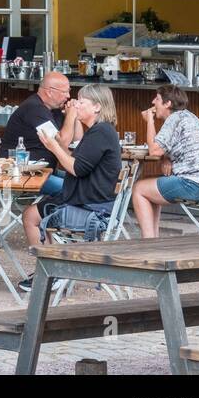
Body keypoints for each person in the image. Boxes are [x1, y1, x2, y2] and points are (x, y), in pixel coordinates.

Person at [20, 84, 123, 287]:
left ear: (97, 107)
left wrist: (54, 147)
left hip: (90, 208)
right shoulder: (99, 131)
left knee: (30, 216)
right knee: (36, 211)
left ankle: (50, 274)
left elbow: (76, 169)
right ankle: (53, 270)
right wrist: (60, 145)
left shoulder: (100, 132)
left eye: (81, 102)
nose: (75, 104)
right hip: (92, 200)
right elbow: (74, 163)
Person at [131, 84, 199, 239]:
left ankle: (148, 242)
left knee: (139, 189)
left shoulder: (174, 119)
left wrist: (149, 120)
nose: (153, 102)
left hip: (195, 185)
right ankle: (152, 240)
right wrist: (166, 158)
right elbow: (173, 147)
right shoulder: (188, 116)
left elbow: (154, 150)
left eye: (157, 99)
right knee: (150, 187)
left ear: (168, 103)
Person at [1, 70, 81, 195]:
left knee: (84, 183)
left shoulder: (53, 109)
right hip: (22, 173)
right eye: (65, 92)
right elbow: (63, 143)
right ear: (49, 92)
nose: (69, 96)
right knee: (76, 190)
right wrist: (71, 115)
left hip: (42, 171)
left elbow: (77, 139)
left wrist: (76, 116)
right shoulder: (35, 109)